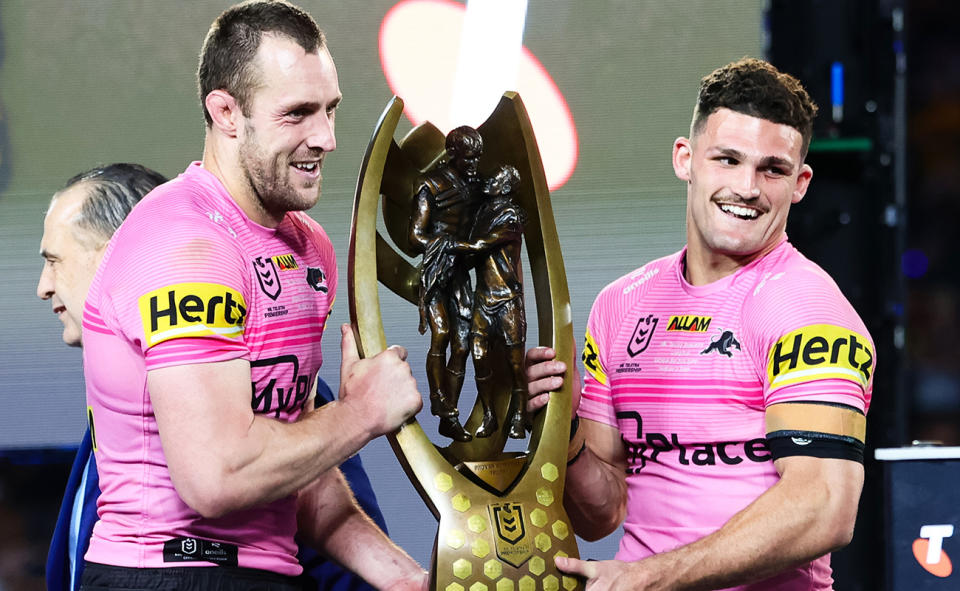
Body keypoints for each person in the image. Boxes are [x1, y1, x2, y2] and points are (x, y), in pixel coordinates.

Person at [79, 2, 426, 589]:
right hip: (169, 573)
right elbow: (218, 476)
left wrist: (412, 579)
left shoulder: (306, 246)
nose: (326, 138)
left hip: (267, 573)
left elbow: (299, 469)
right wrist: (362, 413)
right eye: (297, 114)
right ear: (227, 113)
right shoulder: (188, 245)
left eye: (330, 109)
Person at [525, 58, 874, 590]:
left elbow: (825, 504)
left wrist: (650, 578)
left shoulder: (809, 310)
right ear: (685, 159)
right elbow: (601, 514)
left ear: (800, 182)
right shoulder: (620, 304)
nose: (747, 187)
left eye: (772, 170)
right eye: (727, 160)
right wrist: (564, 432)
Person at [39, 163, 168, 591]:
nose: (43, 286)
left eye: (54, 262)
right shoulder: (114, 406)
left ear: (120, 254)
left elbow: (341, 572)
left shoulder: (271, 386)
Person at [409, 125, 484, 442]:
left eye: (476, 158)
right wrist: (449, 245)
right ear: (452, 154)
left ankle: (449, 414)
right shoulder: (431, 184)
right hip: (437, 270)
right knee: (440, 333)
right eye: (468, 158)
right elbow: (415, 237)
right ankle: (440, 404)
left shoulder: (476, 186)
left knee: (464, 344)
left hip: (460, 274)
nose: (473, 164)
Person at [450, 165, 529, 438]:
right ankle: (490, 416)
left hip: (507, 299)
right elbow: (472, 254)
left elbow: (482, 244)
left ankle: (519, 414)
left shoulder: (511, 215)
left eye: (496, 178)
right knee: (479, 357)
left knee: (515, 363)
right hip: (484, 298)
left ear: (506, 187)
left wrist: (448, 245)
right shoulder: (483, 213)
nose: (490, 180)